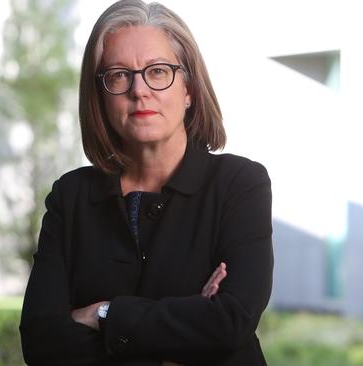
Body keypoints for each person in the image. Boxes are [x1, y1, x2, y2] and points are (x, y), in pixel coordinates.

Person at [19, 0, 273, 365]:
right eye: (119, 75)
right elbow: (42, 343)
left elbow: (230, 321)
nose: (139, 90)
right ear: (100, 97)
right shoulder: (70, 197)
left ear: (188, 90)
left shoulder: (240, 184)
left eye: (157, 71)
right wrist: (184, 337)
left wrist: (103, 314)